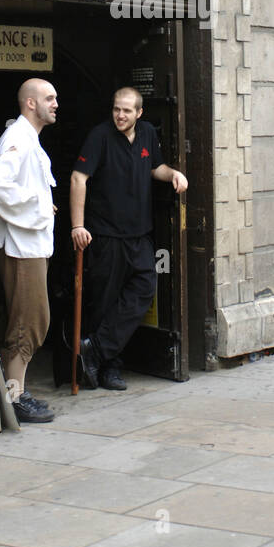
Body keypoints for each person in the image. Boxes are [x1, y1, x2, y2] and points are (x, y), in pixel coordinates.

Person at [70, 86, 187, 390]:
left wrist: (173, 173)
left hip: (139, 234)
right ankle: (109, 367)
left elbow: (155, 167)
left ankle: (96, 349)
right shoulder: (100, 136)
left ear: (139, 113)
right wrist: (77, 226)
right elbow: (78, 177)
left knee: (144, 289)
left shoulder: (147, 133)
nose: (120, 115)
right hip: (106, 234)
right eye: (116, 109)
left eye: (126, 110)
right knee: (105, 302)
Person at [0, 78, 58, 423]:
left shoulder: (30, 140)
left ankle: (19, 392)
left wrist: (40, 205)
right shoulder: (17, 138)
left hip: (28, 245)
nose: (55, 103)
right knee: (25, 324)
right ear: (30, 103)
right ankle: (15, 399)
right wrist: (41, 206)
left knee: (32, 320)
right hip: (19, 248)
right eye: (49, 98)